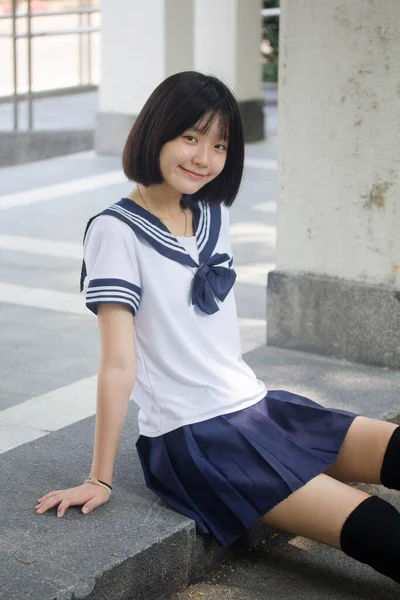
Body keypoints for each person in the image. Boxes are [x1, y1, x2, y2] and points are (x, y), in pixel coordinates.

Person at [35, 71, 400, 584]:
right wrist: (100, 477)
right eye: (190, 137)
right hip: (198, 439)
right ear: (155, 133)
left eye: (219, 144)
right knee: (379, 526)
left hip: (256, 408)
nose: (203, 158)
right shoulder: (114, 232)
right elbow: (119, 364)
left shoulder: (213, 211)